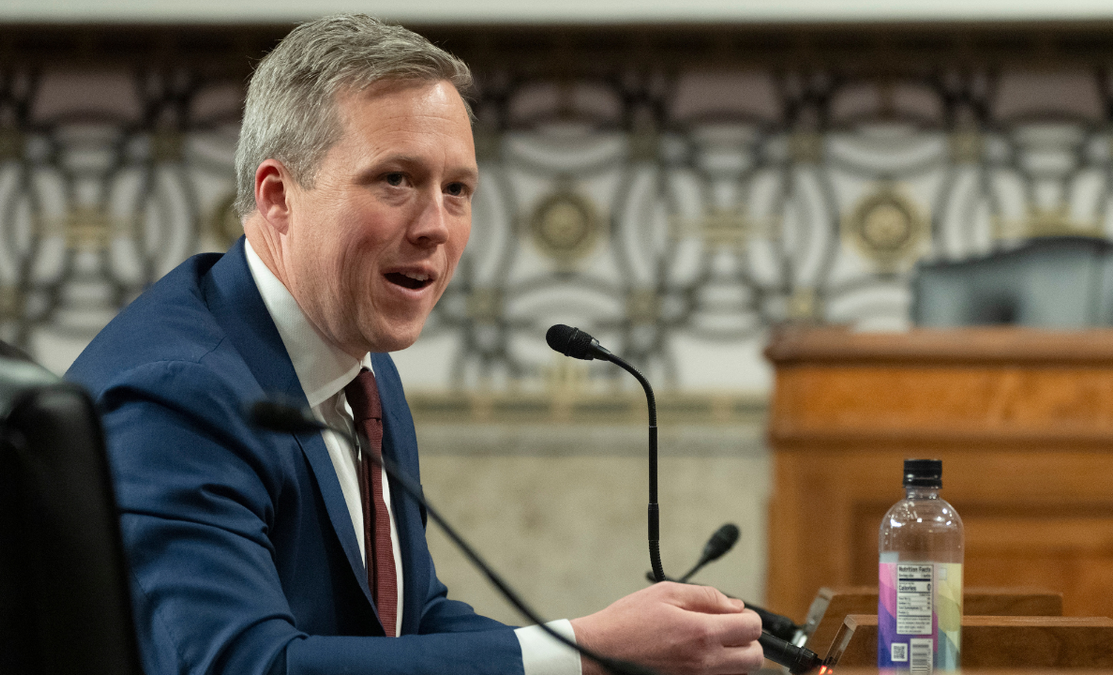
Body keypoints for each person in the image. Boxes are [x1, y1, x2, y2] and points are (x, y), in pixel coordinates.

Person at [67, 14, 764, 675]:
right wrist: (584, 650)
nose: (435, 224)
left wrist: (609, 654)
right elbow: (245, 666)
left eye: (457, 188)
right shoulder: (177, 392)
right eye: (395, 179)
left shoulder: (358, 366)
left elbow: (410, 619)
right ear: (277, 197)